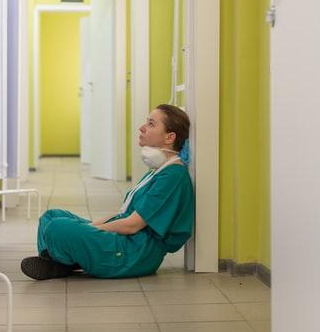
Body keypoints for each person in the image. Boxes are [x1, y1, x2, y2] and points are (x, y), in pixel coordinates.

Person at [20, 104, 195, 280]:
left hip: (135, 253)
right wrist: (88, 228)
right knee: (50, 216)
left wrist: (91, 230)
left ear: (169, 137)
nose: (141, 128)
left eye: (151, 124)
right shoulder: (159, 170)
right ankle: (62, 263)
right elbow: (123, 215)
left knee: (57, 228)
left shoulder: (172, 177)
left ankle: (61, 262)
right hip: (126, 241)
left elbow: (132, 225)